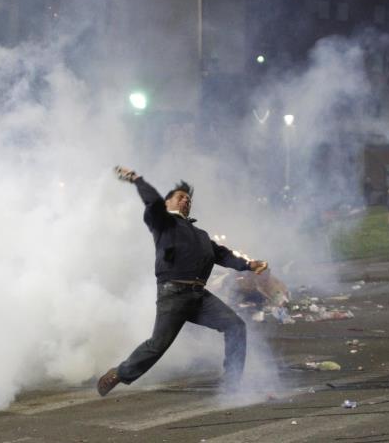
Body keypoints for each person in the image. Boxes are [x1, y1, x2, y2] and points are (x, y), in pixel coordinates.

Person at [97, 166, 268, 396]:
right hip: (173, 295)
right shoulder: (163, 223)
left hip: (199, 297)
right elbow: (153, 203)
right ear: (168, 203)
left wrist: (249, 265)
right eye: (180, 197)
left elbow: (224, 255)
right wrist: (137, 179)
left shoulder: (201, 235)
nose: (186, 201)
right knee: (157, 346)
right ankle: (119, 373)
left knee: (236, 326)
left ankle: (232, 385)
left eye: (188, 199)